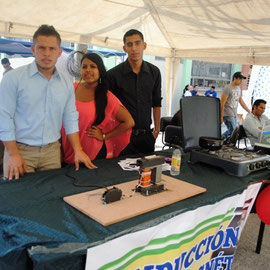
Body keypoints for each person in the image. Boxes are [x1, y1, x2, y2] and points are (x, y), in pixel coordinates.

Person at [0, 25, 96, 180]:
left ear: (59, 52)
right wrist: (13, 154)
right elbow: (4, 118)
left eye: (52, 49)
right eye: (42, 48)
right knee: (19, 201)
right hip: (20, 150)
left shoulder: (66, 83)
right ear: (33, 50)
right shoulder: (13, 78)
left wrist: (78, 150)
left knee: (52, 201)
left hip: (52, 152)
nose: (47, 53)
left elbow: (70, 118)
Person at [61, 53, 134, 163]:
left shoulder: (106, 96)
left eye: (93, 66)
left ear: (100, 70)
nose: (88, 70)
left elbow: (129, 122)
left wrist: (104, 136)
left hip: (93, 153)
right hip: (67, 148)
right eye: (84, 67)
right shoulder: (71, 89)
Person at [107, 29, 162, 155]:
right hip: (122, 136)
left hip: (147, 136)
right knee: (120, 174)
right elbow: (107, 107)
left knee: (148, 173)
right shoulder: (113, 75)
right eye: (129, 44)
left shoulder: (154, 72)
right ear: (124, 48)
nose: (134, 48)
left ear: (144, 45)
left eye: (137, 43)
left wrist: (157, 129)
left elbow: (156, 101)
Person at [220, 71, 250, 138]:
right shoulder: (227, 88)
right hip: (227, 113)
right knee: (233, 130)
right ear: (235, 78)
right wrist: (221, 116)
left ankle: (222, 138)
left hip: (234, 113)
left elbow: (241, 101)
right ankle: (221, 138)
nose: (241, 81)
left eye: (242, 79)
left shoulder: (238, 88)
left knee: (233, 131)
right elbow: (222, 103)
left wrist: (249, 111)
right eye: (240, 79)